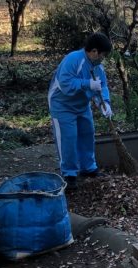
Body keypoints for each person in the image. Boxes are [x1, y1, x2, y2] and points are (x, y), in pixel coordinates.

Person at [48, 32, 113, 190]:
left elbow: (101, 85)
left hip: (82, 105)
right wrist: (87, 84)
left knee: (87, 133)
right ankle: (69, 174)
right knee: (68, 138)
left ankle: (88, 167)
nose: (103, 58)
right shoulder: (73, 60)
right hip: (62, 105)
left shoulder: (97, 67)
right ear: (94, 51)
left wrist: (104, 103)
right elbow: (65, 84)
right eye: (102, 54)